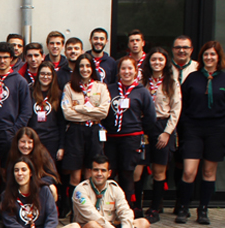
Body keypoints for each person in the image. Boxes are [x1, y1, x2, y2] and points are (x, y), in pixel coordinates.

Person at [175, 41, 225, 224]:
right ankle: (183, 207)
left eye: (212, 54)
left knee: (209, 171)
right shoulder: (193, 78)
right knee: (188, 171)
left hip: (216, 130)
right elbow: (183, 104)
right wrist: (186, 125)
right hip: (193, 129)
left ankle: (203, 210)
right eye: (206, 54)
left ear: (218, 57)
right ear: (201, 57)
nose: (209, 58)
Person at [71, 155, 157, 228]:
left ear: (109, 173)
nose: (99, 174)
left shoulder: (114, 188)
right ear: (90, 172)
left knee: (144, 222)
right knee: (93, 225)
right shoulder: (80, 190)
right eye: (96, 170)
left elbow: (125, 211)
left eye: (103, 170)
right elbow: (93, 216)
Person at [0, 158, 80, 228]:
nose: (20, 173)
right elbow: (10, 222)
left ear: (31, 173)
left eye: (24, 170)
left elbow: (52, 216)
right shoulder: (6, 195)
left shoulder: (44, 190)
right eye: (16, 170)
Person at [103, 56, 156, 210]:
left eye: (129, 68)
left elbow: (150, 117)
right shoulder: (110, 89)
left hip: (131, 138)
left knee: (127, 174)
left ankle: (128, 209)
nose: (126, 72)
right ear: (119, 71)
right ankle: (109, 208)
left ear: (135, 71)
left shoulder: (142, 92)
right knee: (110, 174)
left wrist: (136, 129)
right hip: (111, 138)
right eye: (123, 68)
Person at [61, 54, 111, 205]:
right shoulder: (69, 87)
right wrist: (90, 111)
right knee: (75, 174)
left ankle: (89, 207)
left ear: (92, 68)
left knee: (90, 172)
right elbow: (67, 113)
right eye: (81, 66)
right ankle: (74, 208)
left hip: (94, 132)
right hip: (76, 132)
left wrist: (80, 109)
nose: (85, 69)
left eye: (88, 66)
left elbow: (103, 112)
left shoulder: (101, 87)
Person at [140, 48, 182, 223]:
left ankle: (155, 207)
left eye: (160, 60)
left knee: (159, 171)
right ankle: (136, 206)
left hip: (162, 126)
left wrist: (167, 133)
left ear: (166, 62)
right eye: (154, 59)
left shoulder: (171, 83)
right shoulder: (143, 81)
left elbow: (176, 109)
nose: (157, 63)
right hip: (144, 127)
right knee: (139, 169)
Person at [6, 127, 60, 200]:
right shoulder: (13, 155)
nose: (26, 146)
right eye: (23, 141)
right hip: (18, 189)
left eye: (29, 142)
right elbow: (9, 178)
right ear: (17, 142)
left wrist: (34, 183)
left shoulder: (42, 154)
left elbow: (52, 176)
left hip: (38, 187)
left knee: (52, 188)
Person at [28, 61, 65, 165]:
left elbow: (62, 122)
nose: (45, 77)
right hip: (33, 138)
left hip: (52, 139)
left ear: (53, 76)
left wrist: (61, 146)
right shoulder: (29, 92)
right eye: (43, 74)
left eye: (48, 74)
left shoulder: (58, 94)